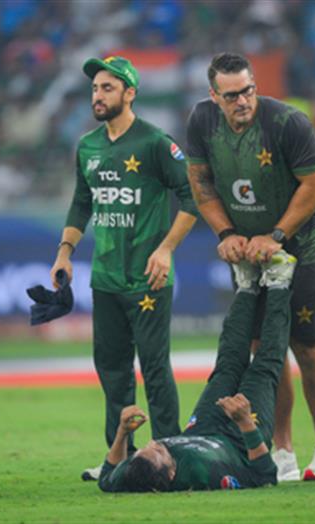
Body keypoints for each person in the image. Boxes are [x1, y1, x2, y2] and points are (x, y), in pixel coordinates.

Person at [185, 52, 315, 482]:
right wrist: (225, 233)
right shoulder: (201, 122)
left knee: (309, 346)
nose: (243, 101)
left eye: (248, 90)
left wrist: (275, 236)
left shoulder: (288, 123)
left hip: (302, 246)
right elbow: (200, 184)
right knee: (264, 350)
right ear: (214, 96)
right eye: (232, 95)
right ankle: (282, 450)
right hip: (248, 253)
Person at [49, 56, 198, 481]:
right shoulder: (88, 146)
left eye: (108, 88)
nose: (98, 95)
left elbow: (192, 199)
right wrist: (64, 252)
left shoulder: (155, 143)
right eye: (95, 88)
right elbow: (82, 203)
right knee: (112, 370)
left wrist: (166, 249)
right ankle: (120, 456)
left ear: (130, 93)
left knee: (154, 368)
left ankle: (170, 452)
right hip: (106, 279)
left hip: (148, 278)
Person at [99, 252, 296, 492]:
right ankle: (279, 283)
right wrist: (245, 423)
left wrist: (122, 433)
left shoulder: (132, 472)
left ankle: (246, 285)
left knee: (227, 366)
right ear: (172, 474)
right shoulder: (203, 473)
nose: (153, 444)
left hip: (203, 425)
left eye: (144, 448)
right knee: (264, 368)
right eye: (158, 452)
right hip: (239, 439)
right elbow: (264, 476)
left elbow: (106, 477)